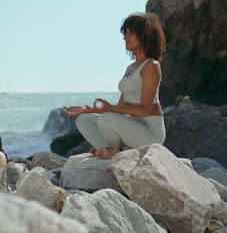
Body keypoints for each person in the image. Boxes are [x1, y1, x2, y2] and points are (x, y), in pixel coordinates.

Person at [62, 12, 167, 160]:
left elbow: (144, 109)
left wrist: (109, 109)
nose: (125, 37)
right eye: (125, 33)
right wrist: (89, 109)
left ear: (144, 35)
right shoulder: (131, 68)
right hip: (131, 129)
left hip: (150, 133)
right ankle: (111, 150)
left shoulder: (151, 65)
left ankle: (113, 150)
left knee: (107, 118)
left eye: (130, 32)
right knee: (83, 119)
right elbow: (121, 107)